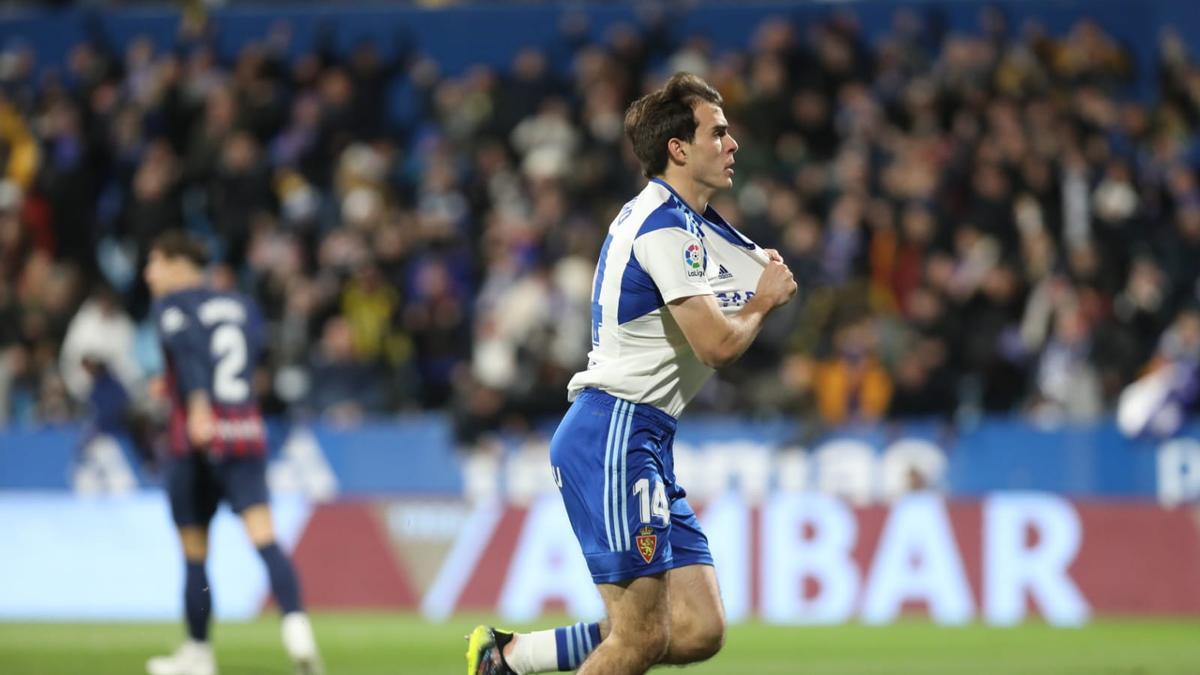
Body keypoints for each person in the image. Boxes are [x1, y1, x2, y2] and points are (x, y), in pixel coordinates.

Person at [467, 72, 797, 674]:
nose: (733, 144)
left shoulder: (682, 218)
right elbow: (717, 347)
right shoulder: (665, 228)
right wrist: (763, 301)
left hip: (641, 435)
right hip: (615, 430)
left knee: (697, 629)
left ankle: (512, 657)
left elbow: (741, 264)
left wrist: (761, 275)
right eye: (717, 133)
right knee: (640, 638)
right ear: (678, 148)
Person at [142, 231, 321, 675]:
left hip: (196, 438)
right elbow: (251, 362)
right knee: (264, 537)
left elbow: (191, 357)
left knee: (195, 549)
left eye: (154, 262)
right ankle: (297, 629)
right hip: (245, 431)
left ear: (177, 263)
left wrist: (199, 406)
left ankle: (199, 654)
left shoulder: (172, 306)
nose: (148, 274)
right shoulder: (242, 305)